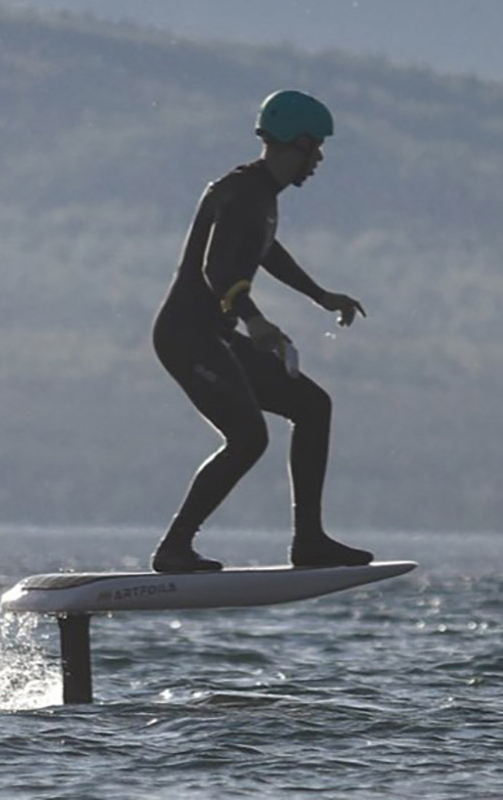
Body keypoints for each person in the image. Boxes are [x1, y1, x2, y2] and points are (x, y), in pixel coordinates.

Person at [150, 89, 374, 573]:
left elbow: (267, 249)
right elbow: (216, 267)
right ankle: (174, 548)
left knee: (313, 406)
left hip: (216, 335)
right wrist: (255, 319)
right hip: (187, 337)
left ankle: (309, 542)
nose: (318, 161)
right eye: (315, 150)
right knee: (248, 437)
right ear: (296, 142)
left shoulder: (262, 197)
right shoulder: (238, 193)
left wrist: (320, 296)